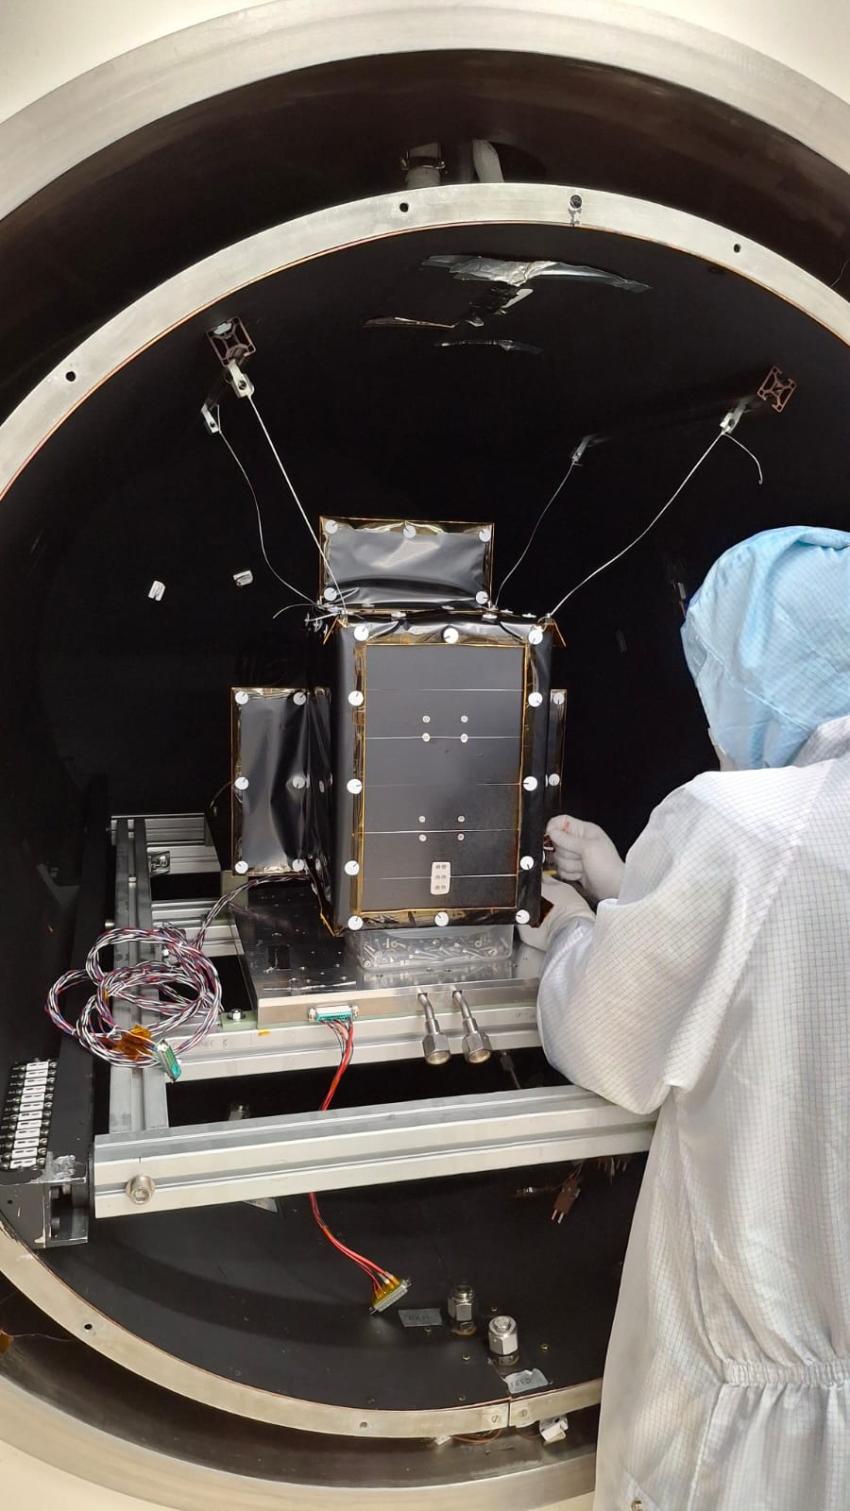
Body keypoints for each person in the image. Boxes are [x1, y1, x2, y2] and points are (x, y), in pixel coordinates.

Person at [520, 526, 850, 1511]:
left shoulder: (742, 824)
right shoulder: (776, 840)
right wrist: (635, 885)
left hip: (769, 1431)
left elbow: (608, 1037)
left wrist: (574, 926)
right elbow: (779, 952)